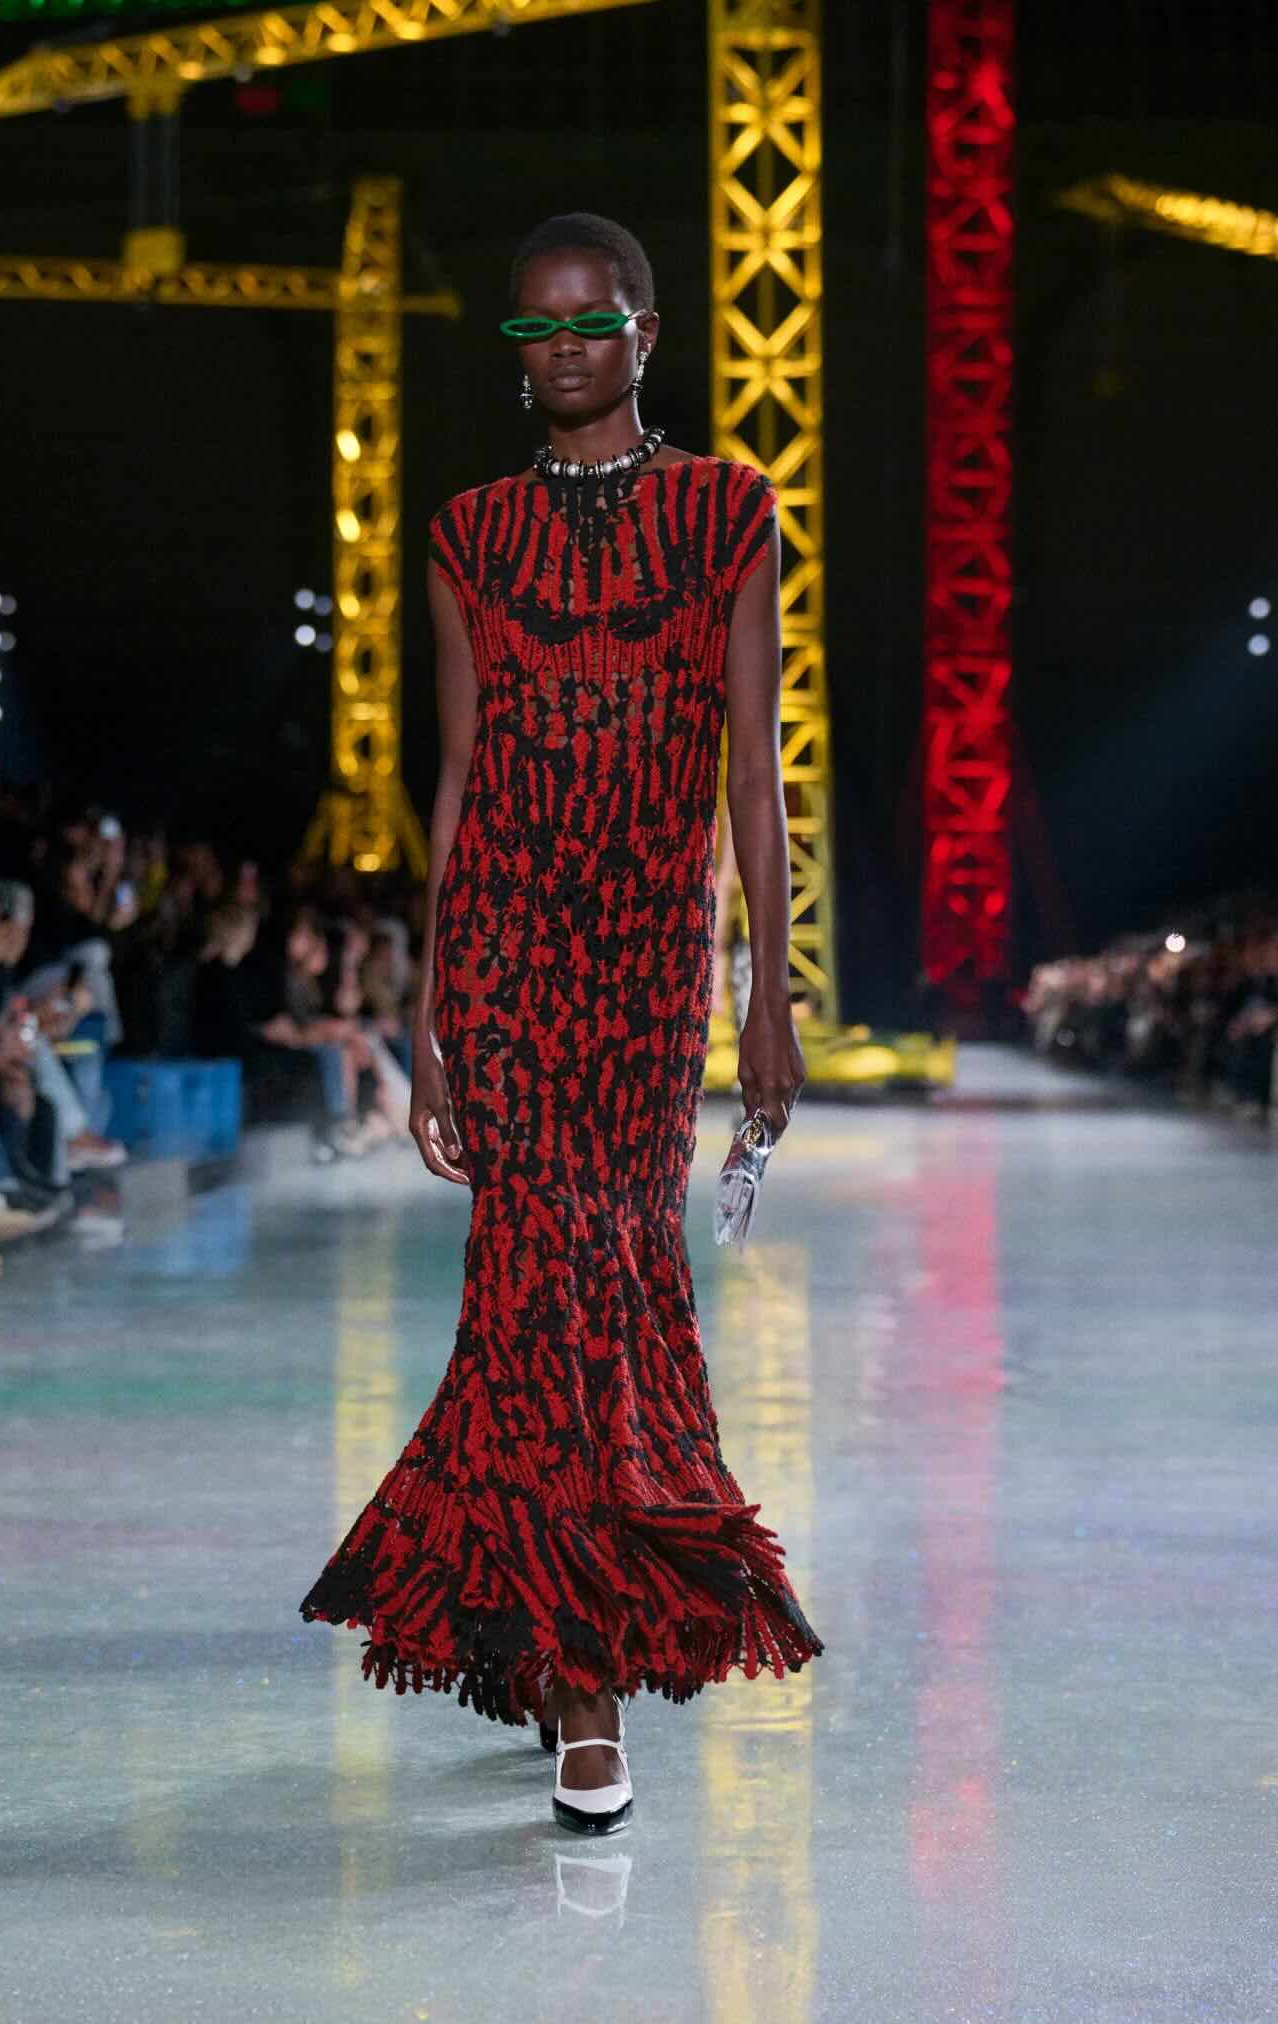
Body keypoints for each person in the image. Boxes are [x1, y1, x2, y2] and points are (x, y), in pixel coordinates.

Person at [300, 215, 825, 1832]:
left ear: (646, 332)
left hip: (649, 961)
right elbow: (456, 781)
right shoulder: (468, 533)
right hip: (509, 953)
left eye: (587, 322)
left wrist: (767, 993)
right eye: (531, 331)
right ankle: (579, 1676)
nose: (561, 351)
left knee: (612, 1268)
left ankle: (535, 1612)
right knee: (535, 1282)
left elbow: (751, 771)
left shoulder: (727, 510)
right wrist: (428, 1014)